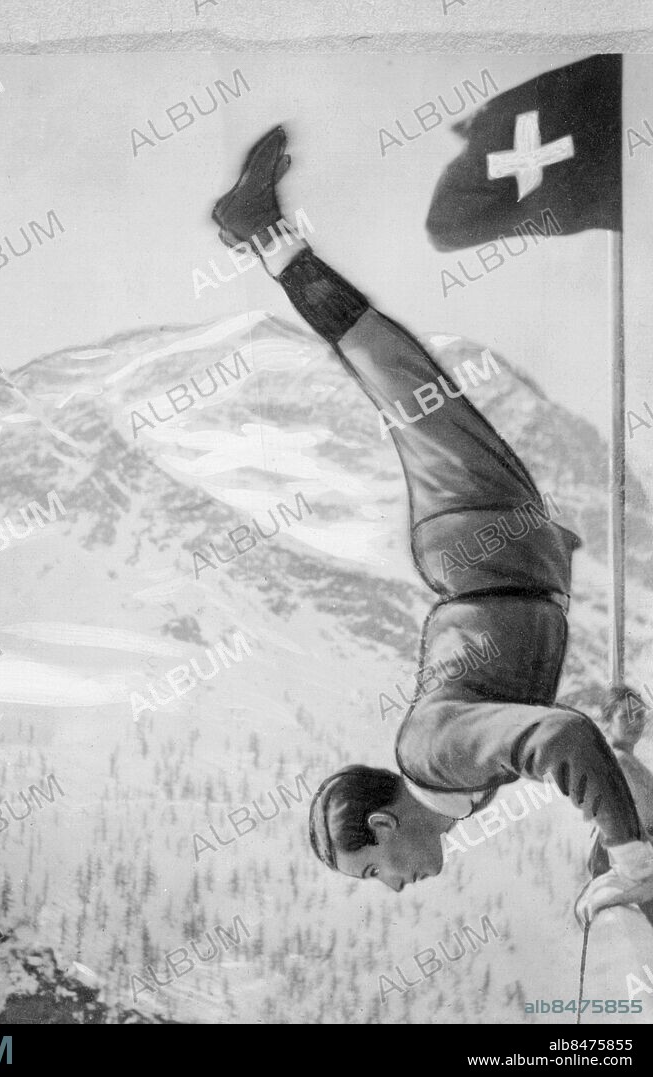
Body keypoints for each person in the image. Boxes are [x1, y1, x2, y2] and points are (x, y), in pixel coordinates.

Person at [210, 124, 653, 926]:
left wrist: (632, 862)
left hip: (478, 539)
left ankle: (263, 235)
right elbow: (543, 714)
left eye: (371, 869)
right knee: (397, 372)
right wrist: (618, 742)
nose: (391, 885)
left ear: (383, 823)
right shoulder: (459, 787)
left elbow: (561, 737)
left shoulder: (431, 754)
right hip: (505, 552)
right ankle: (261, 235)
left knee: (393, 369)